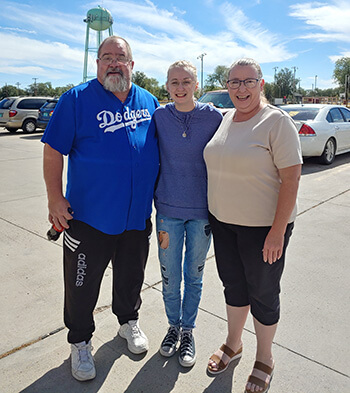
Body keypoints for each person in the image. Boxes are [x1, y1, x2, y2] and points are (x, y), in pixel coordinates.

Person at [41, 36, 159, 382]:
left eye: (119, 57)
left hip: (136, 217)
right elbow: (52, 150)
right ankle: (80, 341)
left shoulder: (149, 101)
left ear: (132, 65)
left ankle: (127, 322)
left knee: (131, 277)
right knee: (81, 285)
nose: (112, 63)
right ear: (97, 64)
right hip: (89, 219)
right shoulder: (76, 100)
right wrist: (54, 198)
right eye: (105, 57)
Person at [204, 58, 302, 392]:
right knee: (233, 285)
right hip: (224, 224)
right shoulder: (226, 118)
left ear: (261, 84)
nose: (241, 88)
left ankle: (265, 357)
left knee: (262, 292)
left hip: (263, 229)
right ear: (227, 86)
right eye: (234, 82)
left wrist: (277, 232)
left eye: (249, 82)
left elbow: (291, 179)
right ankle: (234, 344)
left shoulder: (276, 122)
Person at [153, 60, 222, 367]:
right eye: (174, 82)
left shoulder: (214, 117)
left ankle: (188, 331)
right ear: (166, 86)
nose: (180, 88)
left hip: (202, 214)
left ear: (197, 85)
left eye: (186, 82)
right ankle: (172, 327)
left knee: (193, 276)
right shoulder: (159, 116)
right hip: (167, 211)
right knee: (169, 277)